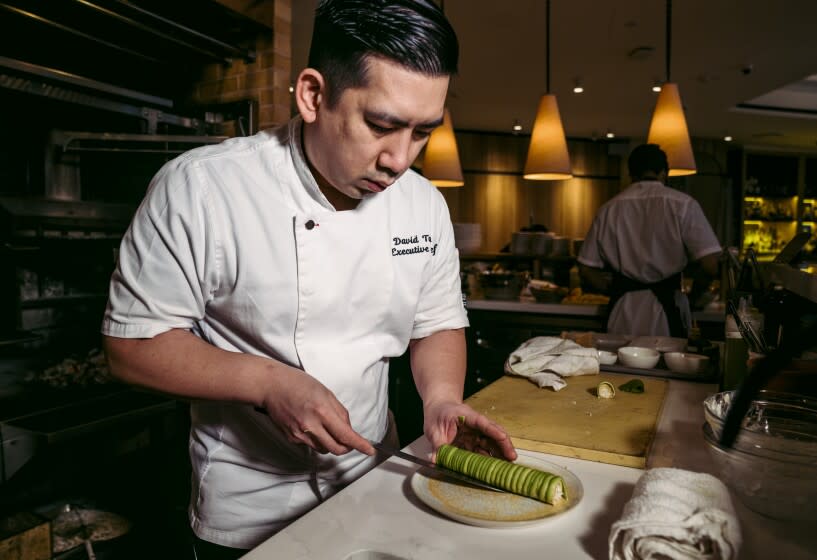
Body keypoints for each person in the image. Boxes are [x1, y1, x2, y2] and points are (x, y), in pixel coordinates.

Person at [100, 1, 516, 557]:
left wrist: (441, 399)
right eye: (382, 125)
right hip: (249, 507)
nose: (400, 159)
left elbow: (437, 321)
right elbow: (131, 346)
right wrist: (269, 383)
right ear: (313, 95)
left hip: (375, 477)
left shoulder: (423, 205)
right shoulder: (202, 188)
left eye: (422, 133)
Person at [576, 143, 722, 337]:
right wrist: (694, 296)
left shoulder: (608, 209)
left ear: (630, 173)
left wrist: (616, 289)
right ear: (664, 172)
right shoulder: (684, 205)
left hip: (623, 309)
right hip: (669, 307)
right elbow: (711, 265)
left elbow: (586, 269)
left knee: (619, 365)